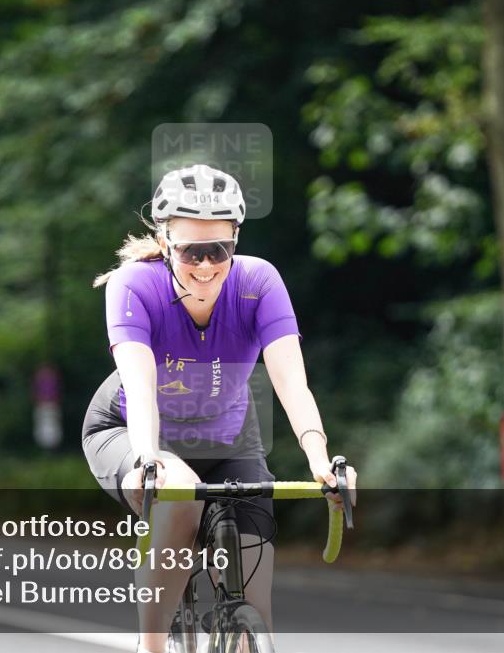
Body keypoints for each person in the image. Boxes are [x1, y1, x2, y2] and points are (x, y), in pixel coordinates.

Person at [82, 164, 358, 653]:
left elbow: (292, 381)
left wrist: (321, 460)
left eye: (220, 250)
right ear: (165, 242)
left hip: (228, 434)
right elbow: (141, 386)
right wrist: (150, 458)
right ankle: (151, 647)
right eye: (191, 251)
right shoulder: (134, 285)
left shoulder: (259, 282)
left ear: (236, 238)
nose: (206, 265)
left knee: (257, 601)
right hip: (130, 427)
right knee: (181, 496)